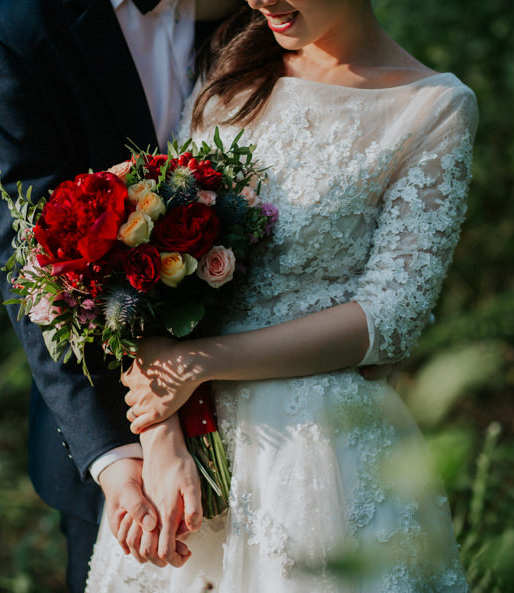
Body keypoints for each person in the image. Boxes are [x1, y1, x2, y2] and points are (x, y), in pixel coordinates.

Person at [85, 0, 478, 591]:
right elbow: (151, 251)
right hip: (192, 439)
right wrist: (161, 436)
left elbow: (389, 316)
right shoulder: (232, 68)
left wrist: (201, 364)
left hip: (317, 452)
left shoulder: (431, 108)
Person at [0, 1, 240, 591]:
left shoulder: (247, 6)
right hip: (115, 424)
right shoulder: (18, 36)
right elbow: (32, 260)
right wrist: (117, 458)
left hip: (266, 397)